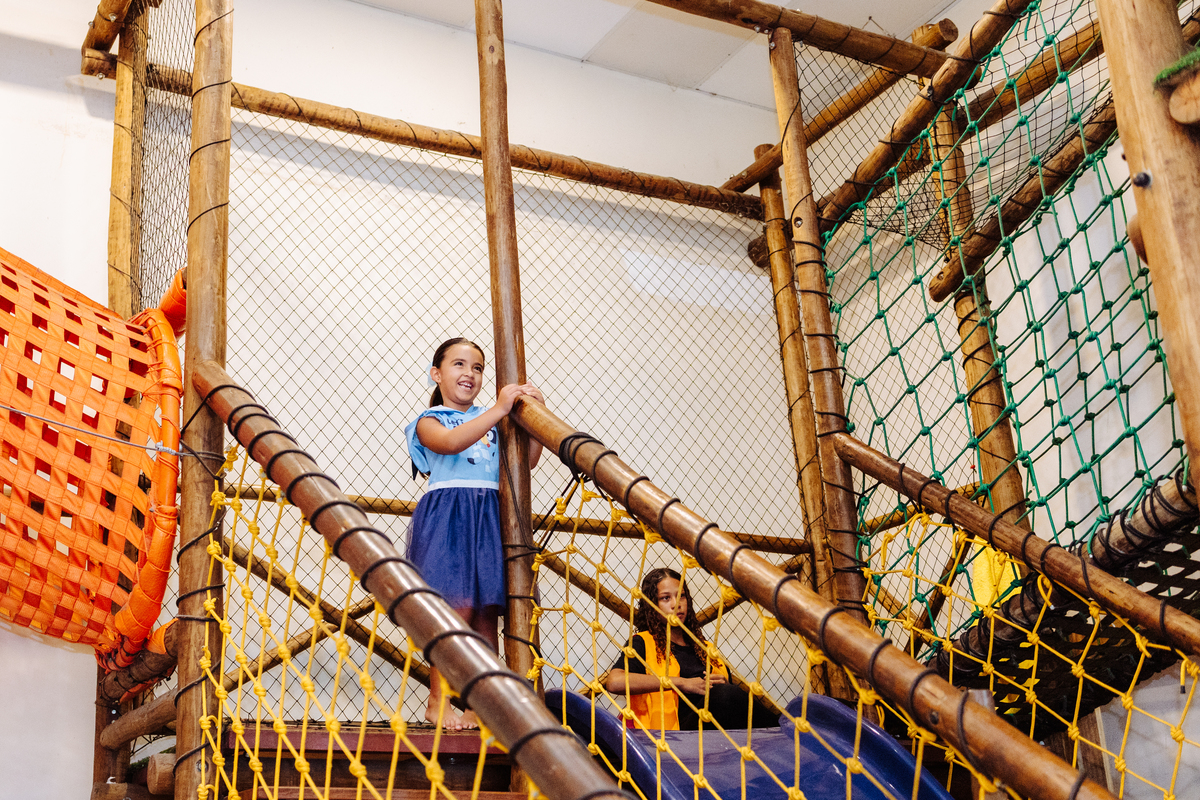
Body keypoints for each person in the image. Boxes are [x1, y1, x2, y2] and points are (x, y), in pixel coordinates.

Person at [405, 337, 545, 730]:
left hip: (490, 517)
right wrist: (501, 409)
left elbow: (526, 463)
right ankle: (438, 700)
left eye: (478, 368)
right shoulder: (429, 419)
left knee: (486, 614)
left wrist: (535, 413)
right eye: (459, 365)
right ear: (437, 373)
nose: (469, 374)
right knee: (455, 610)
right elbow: (450, 443)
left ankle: (479, 704)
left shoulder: (494, 419)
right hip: (450, 516)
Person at [605, 567, 779, 731]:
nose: (676, 604)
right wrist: (681, 683)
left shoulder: (705, 647)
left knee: (729, 695)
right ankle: (785, 730)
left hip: (719, 732)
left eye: (681, 596)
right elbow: (615, 682)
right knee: (725, 696)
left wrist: (725, 684)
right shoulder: (643, 642)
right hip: (670, 737)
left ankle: (786, 728)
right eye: (666, 598)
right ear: (652, 604)